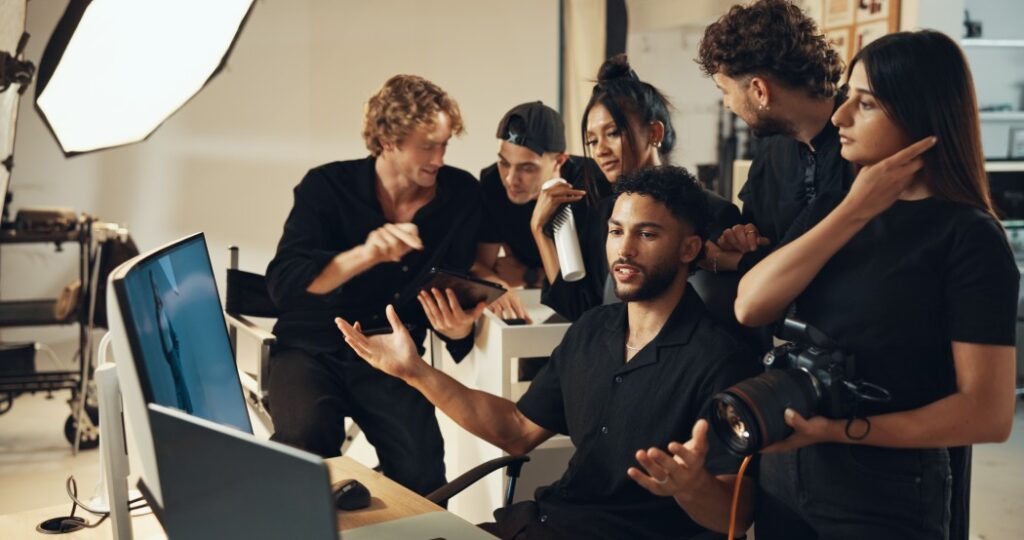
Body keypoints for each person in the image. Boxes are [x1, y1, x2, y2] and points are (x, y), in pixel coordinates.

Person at [338, 166, 760, 539]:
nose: (624, 250)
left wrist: (691, 486)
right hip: (541, 524)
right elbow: (516, 429)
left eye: (647, 234)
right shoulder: (593, 329)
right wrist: (413, 370)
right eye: (616, 231)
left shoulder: (720, 361)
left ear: (688, 249)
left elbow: (734, 520)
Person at [733, 30, 1018, 539]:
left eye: (863, 104)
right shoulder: (837, 209)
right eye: (846, 98)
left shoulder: (970, 237)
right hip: (786, 472)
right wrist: (857, 209)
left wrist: (841, 431)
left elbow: (988, 413)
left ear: (921, 117)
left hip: (884, 486)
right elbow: (751, 306)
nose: (840, 117)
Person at [263, 74, 485, 496]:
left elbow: (456, 285)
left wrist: (458, 329)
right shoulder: (326, 186)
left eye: (444, 144)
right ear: (387, 140)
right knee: (307, 451)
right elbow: (284, 284)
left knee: (423, 473)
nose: (439, 158)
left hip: (393, 354)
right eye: (427, 145)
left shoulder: (461, 196)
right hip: (311, 349)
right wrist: (366, 254)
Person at [538, 54, 740, 322]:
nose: (600, 151)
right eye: (592, 140)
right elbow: (580, 311)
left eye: (612, 133)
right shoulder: (607, 215)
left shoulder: (712, 212)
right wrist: (540, 231)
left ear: (655, 133)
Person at [696, 0, 852, 277]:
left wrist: (733, 262)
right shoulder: (770, 152)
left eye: (725, 91)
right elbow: (757, 241)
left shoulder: (862, 142)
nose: (727, 105)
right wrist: (745, 235)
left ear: (759, 91)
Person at [474, 101, 610, 322]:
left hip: (588, 311)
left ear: (559, 160)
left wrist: (528, 274)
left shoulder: (592, 186)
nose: (510, 179)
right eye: (504, 163)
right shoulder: (492, 183)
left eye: (527, 168)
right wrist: (498, 284)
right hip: (536, 302)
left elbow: (581, 293)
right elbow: (481, 266)